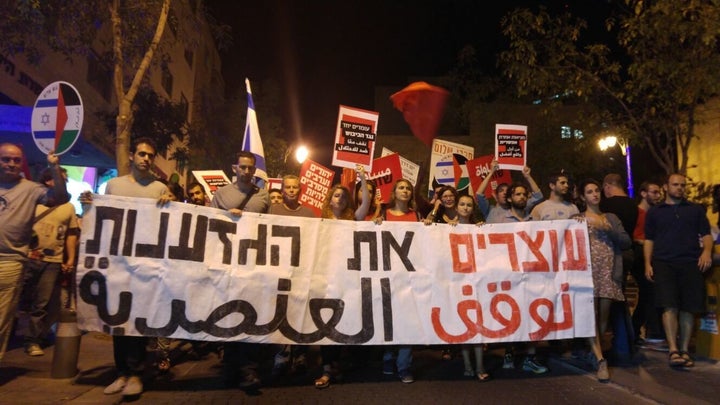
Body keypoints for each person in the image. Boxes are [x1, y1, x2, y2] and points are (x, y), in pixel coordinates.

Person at [83, 138, 171, 397]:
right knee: (117, 318)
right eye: (142, 154)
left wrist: (171, 203)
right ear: (132, 156)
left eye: (150, 155)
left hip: (145, 264)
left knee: (137, 319)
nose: (146, 158)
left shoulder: (159, 188)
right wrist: (89, 203)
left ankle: (136, 374)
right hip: (117, 263)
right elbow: (102, 216)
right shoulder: (114, 185)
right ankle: (122, 372)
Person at [0, 143, 69, 364]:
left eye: (16, 160)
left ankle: (31, 340)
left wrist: (54, 168)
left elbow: (60, 197)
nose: (11, 163)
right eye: (6, 159)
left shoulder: (31, 189)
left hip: (11, 260)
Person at [210, 151, 269, 389]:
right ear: (235, 168)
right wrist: (227, 217)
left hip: (253, 265)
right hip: (227, 265)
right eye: (242, 167)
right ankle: (230, 367)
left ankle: (249, 370)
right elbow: (210, 224)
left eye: (250, 168)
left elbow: (271, 229)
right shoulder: (221, 195)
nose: (246, 171)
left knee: (250, 316)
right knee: (229, 315)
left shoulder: (263, 196)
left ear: (255, 170)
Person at [644, 173, 713, 369]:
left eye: (682, 185)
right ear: (666, 186)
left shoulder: (695, 210)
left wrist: (706, 252)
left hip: (690, 262)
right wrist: (647, 264)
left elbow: (706, 234)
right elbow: (650, 239)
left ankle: (684, 349)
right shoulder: (655, 212)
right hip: (664, 262)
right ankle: (673, 349)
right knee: (669, 305)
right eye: (675, 185)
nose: (680, 188)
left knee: (688, 308)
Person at [314, 166, 370, 389]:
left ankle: (337, 366)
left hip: (348, 279)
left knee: (345, 322)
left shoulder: (353, 219)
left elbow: (365, 203)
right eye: (337, 195)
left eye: (344, 196)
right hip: (326, 278)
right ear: (330, 199)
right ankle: (327, 369)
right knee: (327, 323)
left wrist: (363, 178)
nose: (341, 199)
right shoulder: (319, 222)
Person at [487, 182, 549, 374]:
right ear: (510, 198)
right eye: (517, 194)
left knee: (533, 315)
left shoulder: (534, 221)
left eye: (524, 194)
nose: (521, 197)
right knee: (511, 315)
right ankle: (509, 352)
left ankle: (530, 358)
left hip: (532, 275)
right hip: (508, 276)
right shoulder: (501, 221)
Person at [19, 167, 79, 357]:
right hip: (26, 257)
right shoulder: (34, 201)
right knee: (14, 298)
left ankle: (33, 340)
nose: (64, 184)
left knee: (42, 303)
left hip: (52, 260)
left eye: (65, 181)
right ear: (48, 181)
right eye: (59, 180)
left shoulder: (68, 207)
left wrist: (69, 258)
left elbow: (70, 234)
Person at [577, 179, 632, 382]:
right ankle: (601, 360)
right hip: (586, 275)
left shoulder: (611, 217)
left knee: (602, 319)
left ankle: (594, 352)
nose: (594, 194)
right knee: (590, 317)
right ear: (583, 197)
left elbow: (626, 242)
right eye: (589, 191)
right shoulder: (577, 218)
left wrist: (607, 228)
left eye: (596, 190)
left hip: (608, 273)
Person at [375, 179, 421, 383]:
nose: (405, 191)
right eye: (401, 187)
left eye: (408, 188)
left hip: (410, 277)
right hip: (388, 275)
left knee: (408, 320)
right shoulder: (384, 215)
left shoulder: (416, 216)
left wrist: (426, 226)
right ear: (394, 192)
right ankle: (388, 357)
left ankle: (404, 365)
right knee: (388, 319)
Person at [451, 194, 490, 382]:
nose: (465, 208)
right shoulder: (446, 228)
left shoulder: (479, 228)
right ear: (456, 207)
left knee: (478, 325)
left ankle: (480, 365)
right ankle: (467, 365)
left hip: (477, 282)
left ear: (472, 209)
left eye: (469, 205)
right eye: (462, 204)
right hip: (458, 282)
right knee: (464, 325)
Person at [631, 181, 666, 349]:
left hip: (656, 256)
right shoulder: (637, 213)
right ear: (643, 193)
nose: (657, 195)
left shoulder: (656, 213)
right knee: (648, 293)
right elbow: (633, 236)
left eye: (658, 192)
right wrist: (646, 242)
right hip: (640, 256)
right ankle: (651, 332)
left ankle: (638, 330)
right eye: (654, 192)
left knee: (650, 295)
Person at [475, 159, 542, 223]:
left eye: (508, 191)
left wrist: (528, 176)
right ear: (496, 196)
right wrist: (491, 172)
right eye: (501, 191)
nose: (505, 193)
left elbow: (538, 196)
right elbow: (479, 194)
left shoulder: (519, 206)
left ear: (510, 197)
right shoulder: (490, 211)